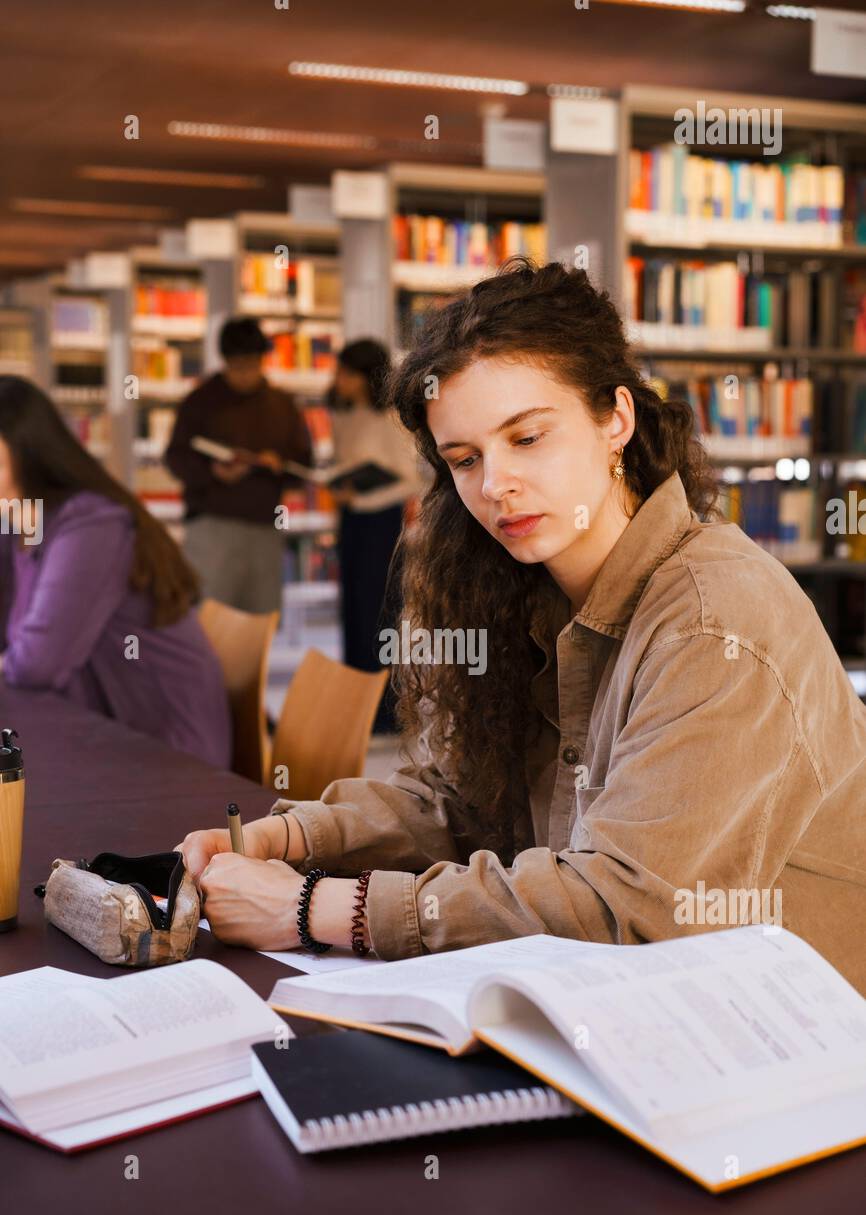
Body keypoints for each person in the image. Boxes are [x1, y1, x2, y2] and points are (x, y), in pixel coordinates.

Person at [177, 258, 866, 995]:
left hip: (793, 1047)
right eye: (465, 459)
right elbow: (469, 803)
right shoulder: (532, 593)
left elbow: (623, 907)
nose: (494, 485)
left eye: (529, 438)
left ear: (617, 421)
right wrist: (290, 838)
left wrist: (317, 908)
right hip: (633, 1015)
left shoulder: (714, 623)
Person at [0, 376, 231, 768]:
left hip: (169, 757)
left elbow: (38, 662)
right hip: (97, 733)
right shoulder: (21, 521)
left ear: (27, 451)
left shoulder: (91, 524)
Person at [164, 316, 313, 614]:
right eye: (237, 367)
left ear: (262, 360)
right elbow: (175, 457)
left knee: (260, 621)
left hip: (265, 528)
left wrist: (278, 465)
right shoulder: (200, 401)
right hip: (212, 526)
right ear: (224, 362)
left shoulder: (282, 405)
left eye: (252, 365)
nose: (245, 375)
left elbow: (304, 465)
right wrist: (213, 472)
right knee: (212, 619)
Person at [326, 339, 422, 733]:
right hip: (351, 520)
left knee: (378, 612)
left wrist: (361, 492)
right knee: (351, 611)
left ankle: (384, 713)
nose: (339, 380)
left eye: (347, 372)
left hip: (381, 524)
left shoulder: (391, 420)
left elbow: (407, 482)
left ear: (367, 377)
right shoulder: (344, 415)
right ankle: (354, 704)